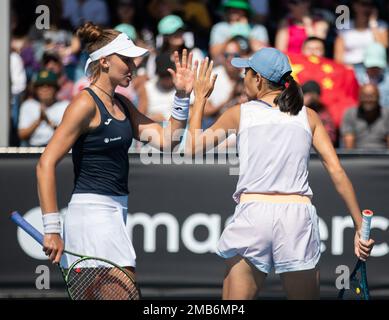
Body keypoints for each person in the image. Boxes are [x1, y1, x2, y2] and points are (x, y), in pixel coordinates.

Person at [187, 48, 375, 299]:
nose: (243, 77)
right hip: (296, 217)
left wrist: (199, 98)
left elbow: (191, 148)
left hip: (254, 213)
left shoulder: (239, 113)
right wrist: (358, 226)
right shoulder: (309, 116)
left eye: (246, 72)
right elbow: (336, 171)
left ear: (258, 79)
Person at [36, 22, 196, 297]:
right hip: (92, 217)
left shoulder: (123, 104)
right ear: (106, 62)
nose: (133, 66)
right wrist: (51, 229)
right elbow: (45, 164)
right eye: (127, 59)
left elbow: (168, 140)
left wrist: (181, 96)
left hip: (113, 214)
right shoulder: (84, 104)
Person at [18, 70, 68, 147]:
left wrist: (49, 122)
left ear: (56, 89)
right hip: (33, 149)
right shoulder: (28, 105)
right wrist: (39, 121)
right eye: (41, 86)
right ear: (36, 90)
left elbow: (68, 135)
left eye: (49, 86)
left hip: (56, 148)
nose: (45, 89)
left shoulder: (65, 106)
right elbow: (22, 135)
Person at [341, 84, 389, 150]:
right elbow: (349, 140)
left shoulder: (386, 114)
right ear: (359, 97)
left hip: (383, 156)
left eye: (372, 96)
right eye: (364, 96)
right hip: (358, 155)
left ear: (378, 97)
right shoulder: (350, 113)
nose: (368, 100)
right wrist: (351, 158)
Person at [302, 80, 336, 145]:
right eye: (308, 94)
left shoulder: (323, 113)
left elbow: (329, 138)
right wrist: (303, 105)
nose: (311, 98)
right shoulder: (295, 111)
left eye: (314, 95)